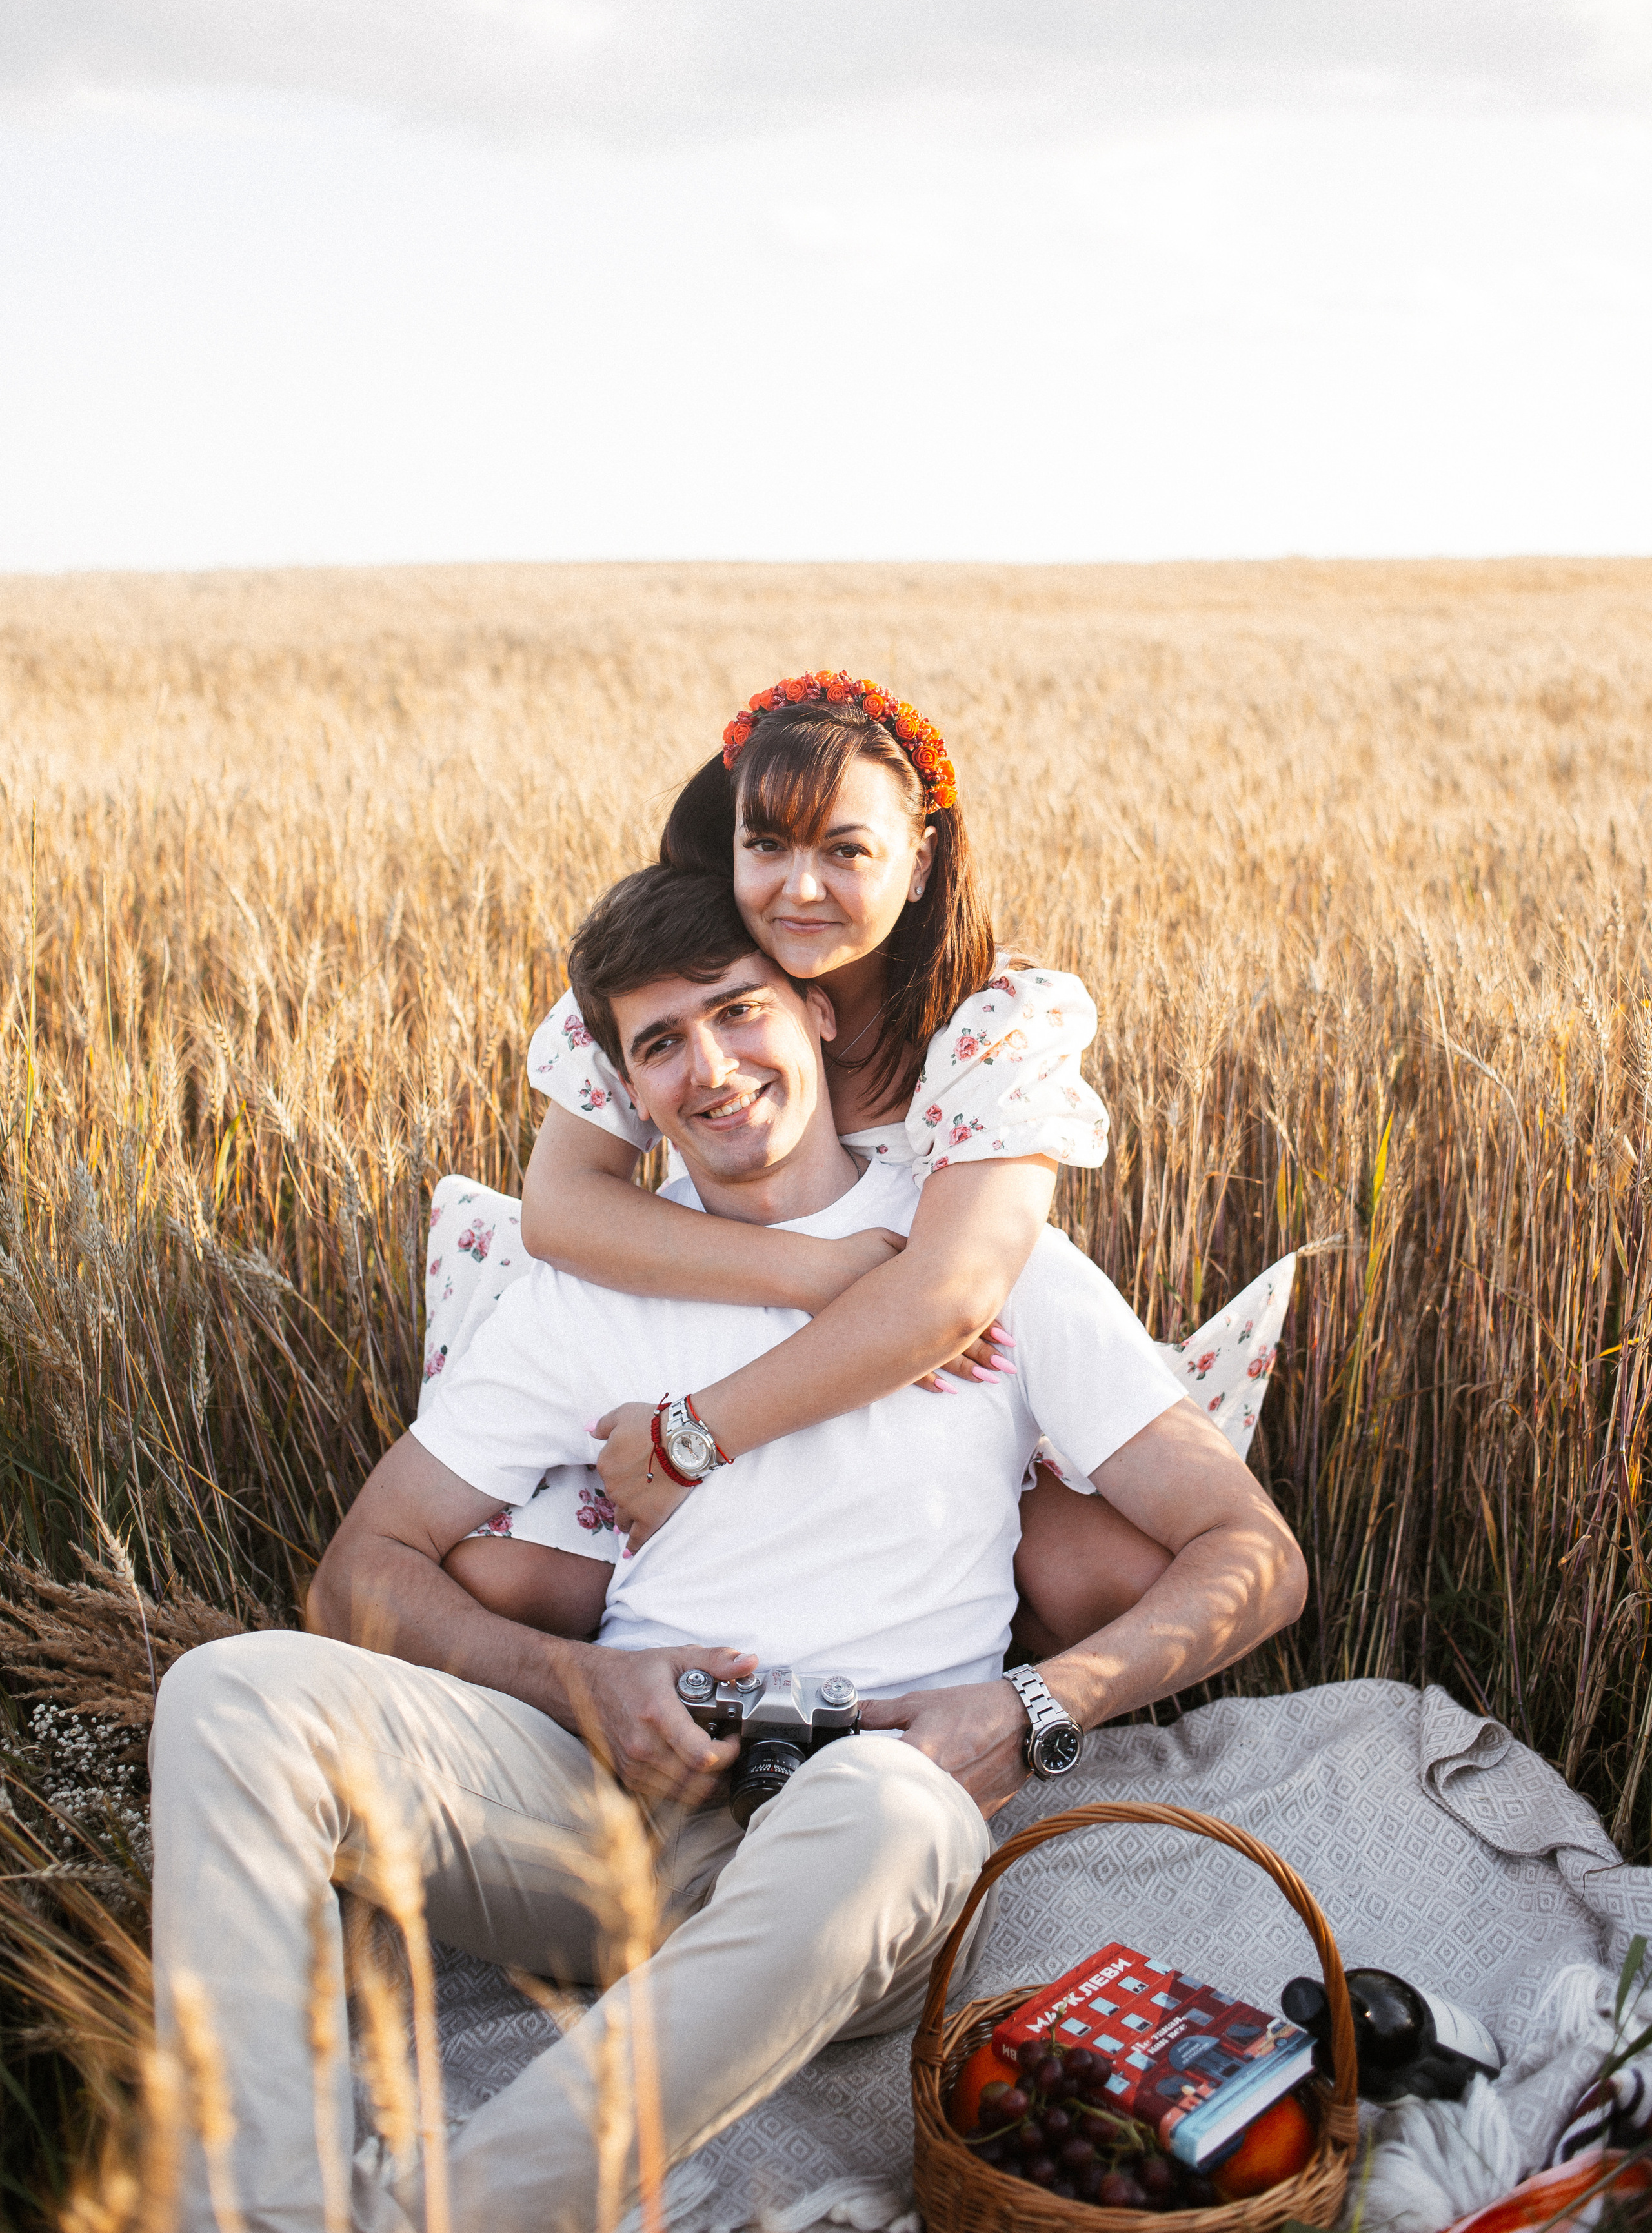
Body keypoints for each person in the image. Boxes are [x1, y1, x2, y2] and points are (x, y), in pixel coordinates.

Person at [149, 865, 1307, 2233]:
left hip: (862, 1822)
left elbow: (1253, 1556)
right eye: (658, 1043)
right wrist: (573, 1684)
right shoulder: (586, 1295)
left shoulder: (995, 1271)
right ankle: (257, 2211)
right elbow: (362, 1572)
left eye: (734, 1011)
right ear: (626, 1090)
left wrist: (1032, 1703)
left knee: (883, 1811)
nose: (709, 1068)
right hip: (608, 1808)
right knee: (228, 1696)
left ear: (815, 1012)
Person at [430, 669, 1142, 1650]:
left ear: (921, 863)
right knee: (505, 1572)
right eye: (767, 844)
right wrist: (821, 1269)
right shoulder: (672, 976)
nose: (800, 889)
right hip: (725, 1309)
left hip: (931, 1380)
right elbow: (561, 1210)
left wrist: (690, 1439)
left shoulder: (990, 1022)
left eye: (846, 851)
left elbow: (946, 1299)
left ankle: (957, 1686)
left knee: (1102, 1575)